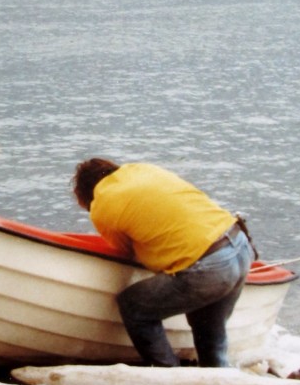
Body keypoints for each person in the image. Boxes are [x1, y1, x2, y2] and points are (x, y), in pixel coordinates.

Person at [72, 158, 253, 368]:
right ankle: (219, 379)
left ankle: (168, 372)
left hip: (208, 267)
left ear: (85, 194)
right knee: (208, 329)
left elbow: (125, 250)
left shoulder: (101, 205)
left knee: (133, 306)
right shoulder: (143, 169)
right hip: (239, 245)